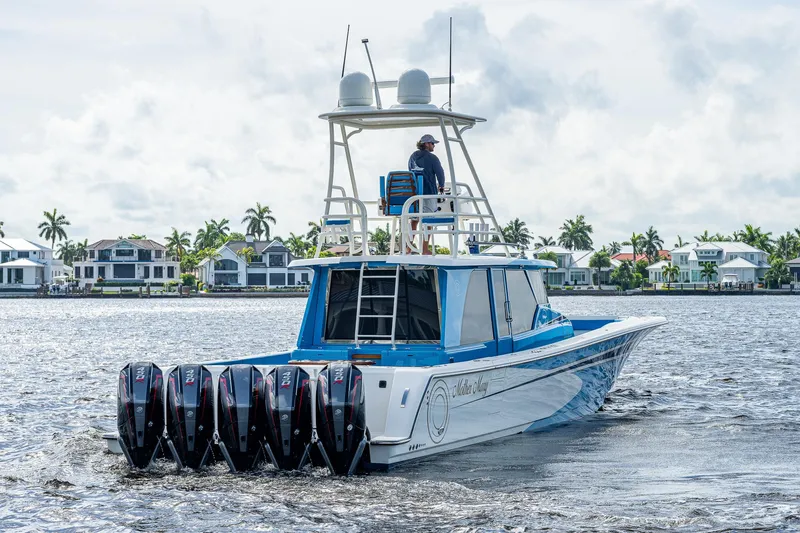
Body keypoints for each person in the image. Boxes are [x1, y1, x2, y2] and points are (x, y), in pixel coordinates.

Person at [408, 134, 446, 254]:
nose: (434, 146)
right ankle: (424, 249)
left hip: (414, 193)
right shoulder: (433, 158)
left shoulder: (412, 157)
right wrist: (441, 186)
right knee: (428, 221)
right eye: (432, 143)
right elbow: (440, 173)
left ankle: (408, 247)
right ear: (427, 144)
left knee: (414, 221)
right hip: (429, 192)